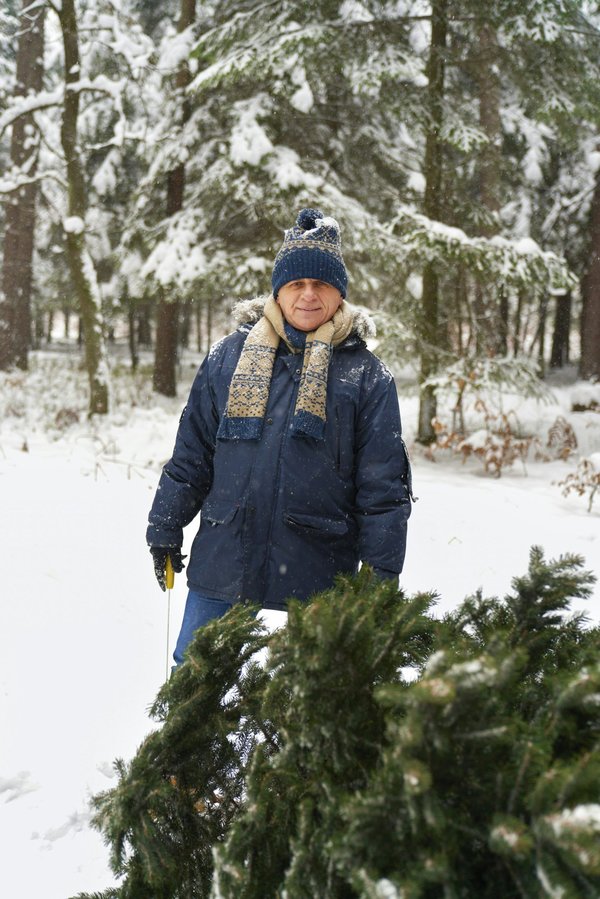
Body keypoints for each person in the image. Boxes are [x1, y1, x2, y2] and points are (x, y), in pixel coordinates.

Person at [147, 207, 413, 666]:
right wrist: (166, 525)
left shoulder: (367, 377)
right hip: (225, 554)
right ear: (279, 289)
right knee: (196, 687)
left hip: (320, 568)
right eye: (296, 284)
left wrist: (381, 573)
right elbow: (193, 453)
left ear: (339, 292)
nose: (308, 295)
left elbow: (383, 487)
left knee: (310, 704)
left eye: (321, 284)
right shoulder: (229, 358)